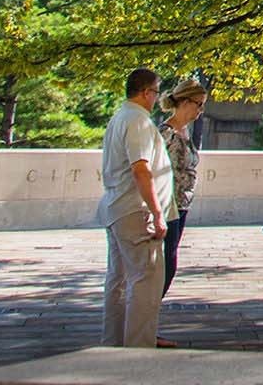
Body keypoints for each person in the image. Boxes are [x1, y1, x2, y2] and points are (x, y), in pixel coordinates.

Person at [98, 67, 176, 349]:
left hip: (116, 209)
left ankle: (114, 343)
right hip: (135, 211)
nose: (156, 98)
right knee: (146, 281)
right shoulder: (138, 122)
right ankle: (139, 350)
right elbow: (141, 169)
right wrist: (157, 213)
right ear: (146, 92)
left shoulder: (119, 118)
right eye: (155, 92)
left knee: (117, 281)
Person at [157, 79, 207, 301]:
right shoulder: (166, 133)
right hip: (167, 207)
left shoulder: (186, 132)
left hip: (182, 205)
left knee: (170, 262)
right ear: (185, 102)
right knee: (165, 264)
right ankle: (144, 325)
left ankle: (149, 323)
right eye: (198, 104)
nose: (200, 110)